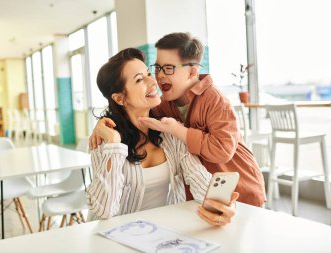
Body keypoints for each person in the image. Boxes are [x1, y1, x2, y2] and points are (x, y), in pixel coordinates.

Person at [90, 33, 265, 207]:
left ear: (192, 72)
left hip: (241, 188)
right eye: (157, 69)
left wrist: (178, 130)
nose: (156, 78)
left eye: (167, 69)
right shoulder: (165, 104)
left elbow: (221, 151)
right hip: (206, 196)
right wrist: (104, 126)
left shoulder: (215, 101)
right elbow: (132, 113)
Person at [87, 48, 238, 226]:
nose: (153, 81)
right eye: (139, 80)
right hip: (112, 239)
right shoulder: (104, 140)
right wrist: (113, 144)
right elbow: (104, 211)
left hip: (159, 235)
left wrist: (222, 205)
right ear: (120, 98)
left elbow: (199, 180)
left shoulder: (169, 133)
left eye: (149, 73)